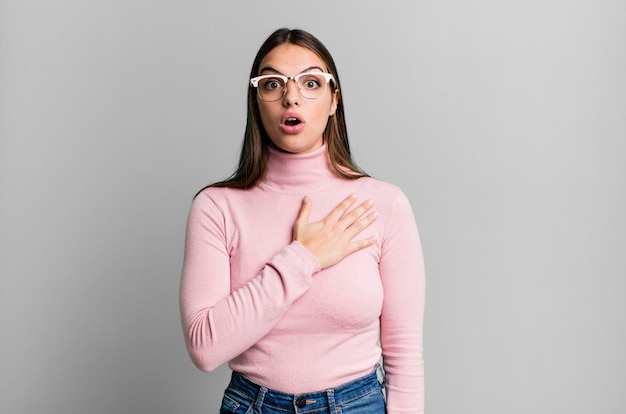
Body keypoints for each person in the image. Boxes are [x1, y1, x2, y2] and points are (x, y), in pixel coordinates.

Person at [179, 28, 425, 413]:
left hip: (357, 404)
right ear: (256, 100)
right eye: (273, 83)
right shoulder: (217, 207)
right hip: (252, 404)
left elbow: (404, 351)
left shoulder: (384, 204)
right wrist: (303, 257)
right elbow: (205, 348)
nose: (291, 96)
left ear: (333, 101)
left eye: (311, 82)